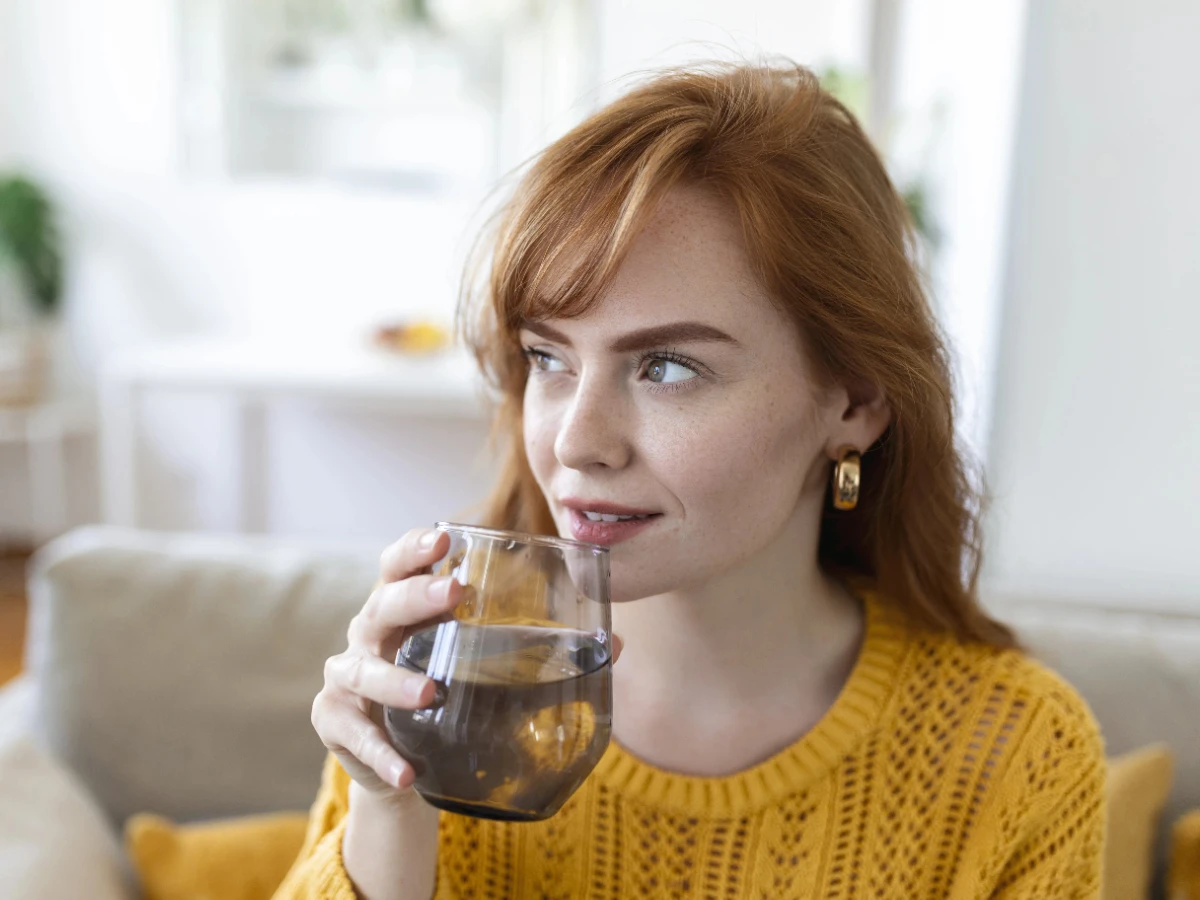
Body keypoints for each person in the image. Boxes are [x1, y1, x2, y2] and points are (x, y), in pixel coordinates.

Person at [275, 62, 1107, 899]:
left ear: (854, 401)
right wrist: (388, 809)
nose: (576, 440)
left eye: (667, 367)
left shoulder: (1020, 753)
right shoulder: (437, 691)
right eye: (548, 358)